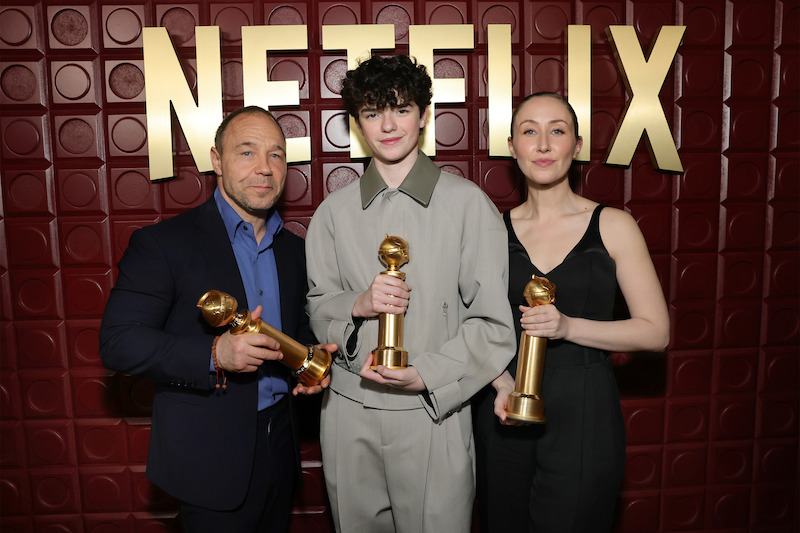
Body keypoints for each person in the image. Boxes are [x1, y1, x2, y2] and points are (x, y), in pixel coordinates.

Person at [304, 55, 516, 532]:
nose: (387, 124)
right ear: (357, 124)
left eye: (401, 109)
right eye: (372, 111)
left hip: (433, 410)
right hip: (349, 410)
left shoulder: (469, 205)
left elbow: (493, 325)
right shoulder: (332, 214)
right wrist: (357, 305)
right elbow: (318, 309)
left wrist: (428, 374)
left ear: (424, 116)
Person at [99, 106, 335, 532]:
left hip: (279, 451)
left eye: (276, 155)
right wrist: (214, 353)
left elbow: (293, 334)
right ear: (216, 160)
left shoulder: (295, 251)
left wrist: (308, 360)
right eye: (247, 153)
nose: (264, 168)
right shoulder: (163, 243)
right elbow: (118, 342)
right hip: (208, 461)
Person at [472, 92, 670, 532]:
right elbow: (468, 327)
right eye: (529, 131)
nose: (543, 144)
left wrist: (569, 326)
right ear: (513, 145)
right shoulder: (489, 230)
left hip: (585, 410)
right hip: (503, 407)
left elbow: (656, 332)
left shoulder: (614, 225)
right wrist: (498, 383)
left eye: (557, 131)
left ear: (577, 146)